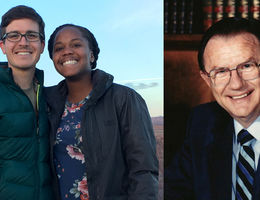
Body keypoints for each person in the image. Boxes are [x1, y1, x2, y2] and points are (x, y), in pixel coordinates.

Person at [45, 24, 159, 200]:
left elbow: (143, 170)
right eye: (59, 48)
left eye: (76, 45)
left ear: (91, 54)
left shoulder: (124, 99)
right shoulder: (48, 103)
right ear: (53, 58)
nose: (67, 51)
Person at [165, 17, 260, 200]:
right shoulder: (203, 122)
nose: (236, 84)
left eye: (247, 66)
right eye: (221, 72)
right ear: (208, 80)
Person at [0, 5, 54, 200]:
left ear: (41, 44)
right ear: (2, 46)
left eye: (31, 35)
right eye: (13, 35)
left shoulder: (51, 97)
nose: (23, 42)